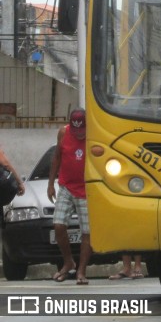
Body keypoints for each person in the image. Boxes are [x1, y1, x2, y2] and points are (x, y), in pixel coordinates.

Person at [47, 109, 91, 285]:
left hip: (86, 189)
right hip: (66, 186)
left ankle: (81, 270)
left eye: (82, 131)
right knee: (58, 225)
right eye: (76, 130)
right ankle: (68, 262)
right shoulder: (63, 132)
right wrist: (51, 184)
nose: (79, 134)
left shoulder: (95, 134)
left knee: (87, 232)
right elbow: (57, 157)